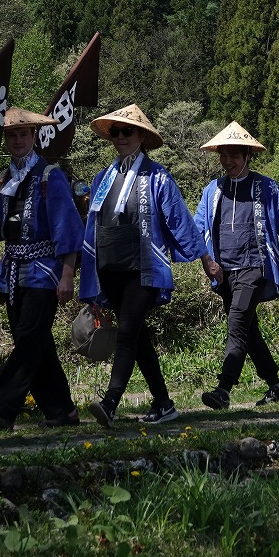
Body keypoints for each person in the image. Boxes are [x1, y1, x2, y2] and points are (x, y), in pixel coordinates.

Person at [78, 105, 206, 427]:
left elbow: (180, 219)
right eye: (116, 132)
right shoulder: (103, 178)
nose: (120, 138)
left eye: (127, 132)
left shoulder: (158, 177)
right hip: (110, 268)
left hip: (143, 268)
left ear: (142, 137)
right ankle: (164, 404)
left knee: (126, 333)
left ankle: (110, 402)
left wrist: (205, 258)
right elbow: (94, 222)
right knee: (137, 336)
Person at [0, 107, 84, 430]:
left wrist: (67, 275)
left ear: (34, 137)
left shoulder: (50, 176)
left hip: (44, 271)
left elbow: (68, 228)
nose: (18, 140)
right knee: (37, 343)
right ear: (6, 140)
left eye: (23, 134)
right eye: (12, 135)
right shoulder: (4, 178)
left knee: (27, 340)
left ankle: (0, 408)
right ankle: (62, 411)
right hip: (12, 273)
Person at [195, 122, 279, 409]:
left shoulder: (267, 187)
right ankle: (275, 386)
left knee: (236, 325)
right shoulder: (212, 190)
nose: (227, 161)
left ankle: (223, 389)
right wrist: (207, 262)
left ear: (248, 156)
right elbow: (199, 229)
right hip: (224, 271)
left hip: (255, 267)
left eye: (234, 154)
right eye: (223, 154)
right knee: (249, 330)